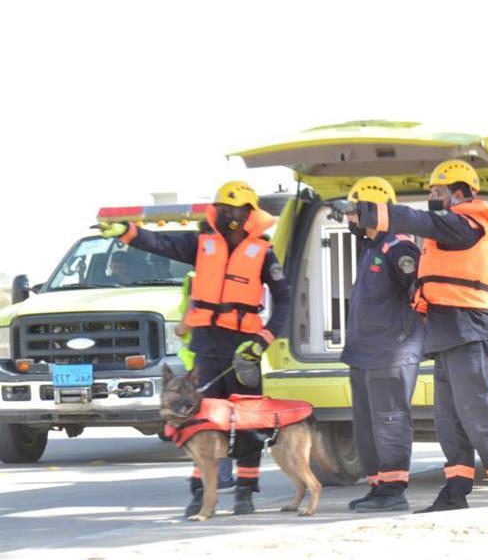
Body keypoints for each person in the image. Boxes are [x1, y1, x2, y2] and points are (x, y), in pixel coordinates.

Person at [332, 160, 488, 512]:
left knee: (477, 415)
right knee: (448, 422)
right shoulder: (444, 230)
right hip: (448, 334)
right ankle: (455, 492)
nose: (431, 197)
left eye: (437, 191)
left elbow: (417, 221)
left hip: (471, 331)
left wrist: (366, 211)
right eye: (430, 192)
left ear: (460, 193)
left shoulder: (467, 224)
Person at [98, 180, 290, 516]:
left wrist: (263, 341)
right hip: (206, 348)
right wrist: (127, 232)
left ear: (250, 213)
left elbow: (285, 299)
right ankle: (199, 494)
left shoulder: (263, 251)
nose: (229, 215)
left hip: (243, 350)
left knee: (248, 423)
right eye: (224, 208)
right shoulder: (200, 244)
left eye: (236, 210)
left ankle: (245, 492)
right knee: (202, 422)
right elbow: (159, 242)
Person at [333, 177, 424, 513]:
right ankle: (378, 486)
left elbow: (419, 293)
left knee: (390, 421)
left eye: (355, 211)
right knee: (368, 425)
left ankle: (394, 490)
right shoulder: (370, 247)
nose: (349, 218)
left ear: (372, 210)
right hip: (364, 354)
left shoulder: (399, 247)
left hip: (390, 353)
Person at [175, 270, 235, 490]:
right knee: (227, 419)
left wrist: (179, 329)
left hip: (202, 362)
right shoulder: (235, 273)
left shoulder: (195, 276)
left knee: (207, 422)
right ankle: (228, 476)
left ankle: (214, 477)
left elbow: (188, 317)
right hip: (232, 355)